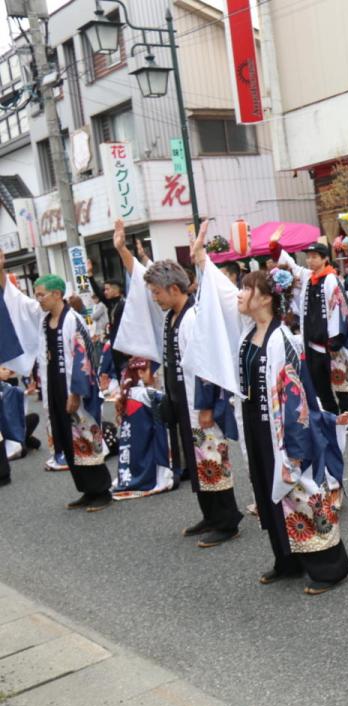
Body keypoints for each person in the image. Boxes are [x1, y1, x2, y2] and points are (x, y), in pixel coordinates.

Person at [191, 232, 348, 595]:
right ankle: (287, 558)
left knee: (300, 489)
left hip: (285, 429)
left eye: (246, 289)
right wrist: (202, 261)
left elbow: (295, 397)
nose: (239, 295)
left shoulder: (283, 340)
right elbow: (218, 294)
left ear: (264, 298)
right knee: (268, 490)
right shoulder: (249, 333)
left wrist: (295, 443)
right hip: (257, 425)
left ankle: (329, 566)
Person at [113, 219, 243, 545]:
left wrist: (205, 406)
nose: (154, 298)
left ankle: (227, 521)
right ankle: (210, 514)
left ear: (174, 289)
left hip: (199, 402)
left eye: (157, 292)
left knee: (212, 458)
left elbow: (205, 363)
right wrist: (122, 250)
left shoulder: (193, 317)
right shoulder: (172, 316)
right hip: (180, 400)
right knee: (197, 460)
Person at [1, 261, 113, 510]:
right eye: (37, 295)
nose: (37, 299)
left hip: (75, 388)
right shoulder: (44, 319)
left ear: (57, 295)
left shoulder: (73, 320)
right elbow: (16, 300)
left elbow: (85, 359)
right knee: (66, 437)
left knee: (84, 435)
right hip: (53, 385)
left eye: (41, 294)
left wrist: (76, 393)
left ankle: (101, 490)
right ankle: (86, 489)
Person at [273, 236, 348, 415]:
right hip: (312, 343)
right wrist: (275, 247)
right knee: (320, 384)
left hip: (332, 343)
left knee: (340, 382)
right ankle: (331, 416)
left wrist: (335, 340)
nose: (310, 260)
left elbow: (339, 309)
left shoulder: (331, 279)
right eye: (308, 257)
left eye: (314, 256)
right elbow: (291, 266)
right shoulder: (308, 277)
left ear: (325, 258)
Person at [111, 357, 174, 500]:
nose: (153, 374)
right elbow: (168, 406)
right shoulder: (148, 394)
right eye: (149, 370)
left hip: (130, 447)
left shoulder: (124, 394)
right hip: (147, 443)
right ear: (140, 373)